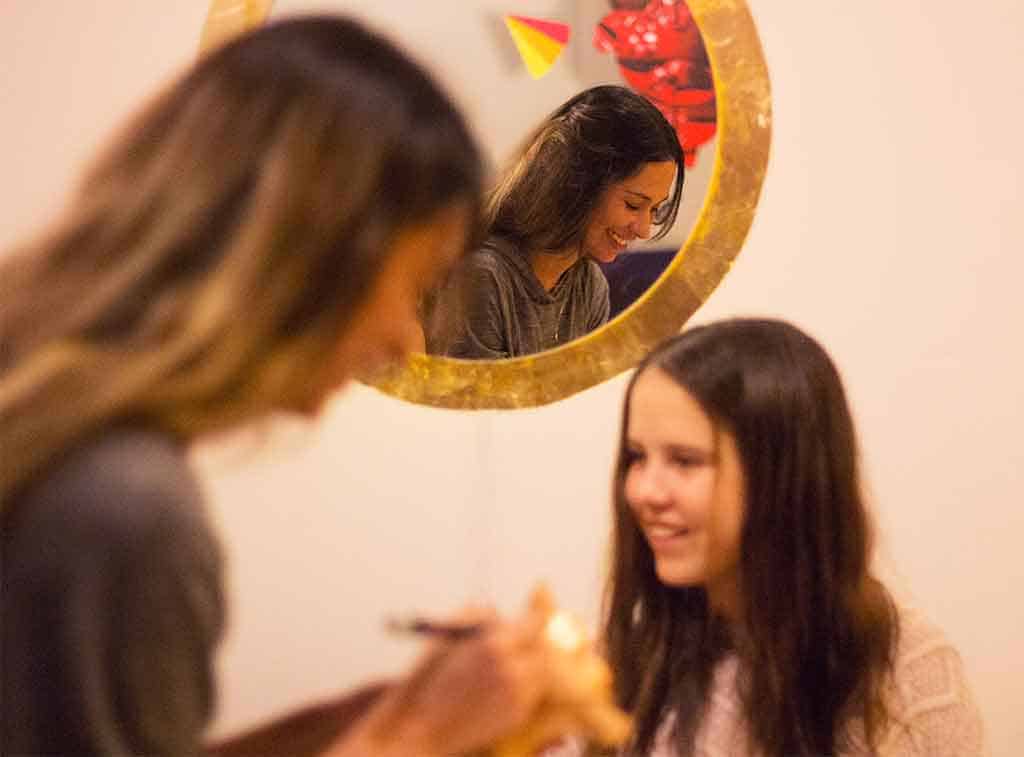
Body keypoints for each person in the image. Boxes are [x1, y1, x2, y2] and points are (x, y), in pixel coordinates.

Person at [0, 15, 554, 757]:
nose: (401, 340)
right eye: (418, 282)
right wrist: (408, 738)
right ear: (312, 251)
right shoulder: (125, 509)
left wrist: (348, 725)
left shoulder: (51, 424)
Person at [587, 318, 988, 755]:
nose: (644, 491)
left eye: (685, 460)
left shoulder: (903, 670)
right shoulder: (620, 663)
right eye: (637, 457)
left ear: (782, 474)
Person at [424, 85, 685, 359]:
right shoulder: (483, 276)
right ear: (579, 184)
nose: (644, 230)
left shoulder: (590, 287)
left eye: (655, 209)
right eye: (633, 205)